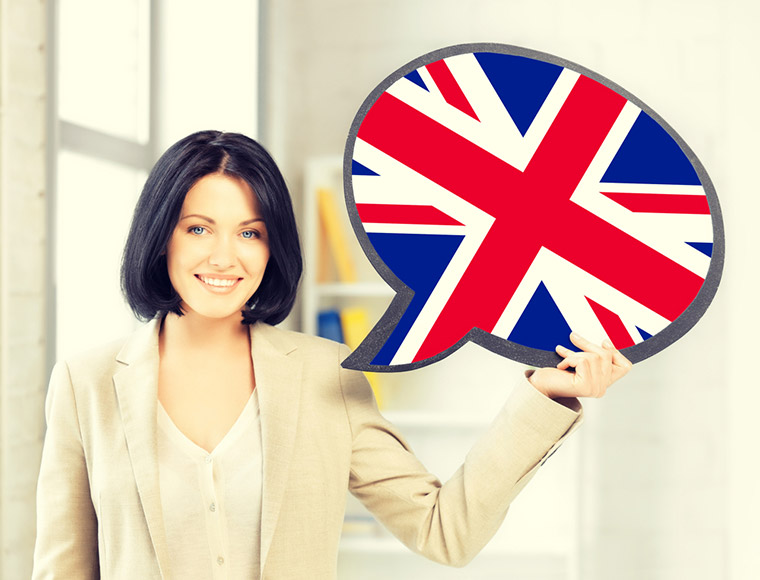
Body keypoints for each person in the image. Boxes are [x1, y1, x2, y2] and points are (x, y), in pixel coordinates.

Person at [32, 130, 632, 579]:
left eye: (250, 232)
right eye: (197, 228)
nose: (224, 256)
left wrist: (546, 394)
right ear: (159, 234)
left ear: (272, 247)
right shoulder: (86, 383)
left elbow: (445, 531)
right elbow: (61, 568)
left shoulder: (325, 376)